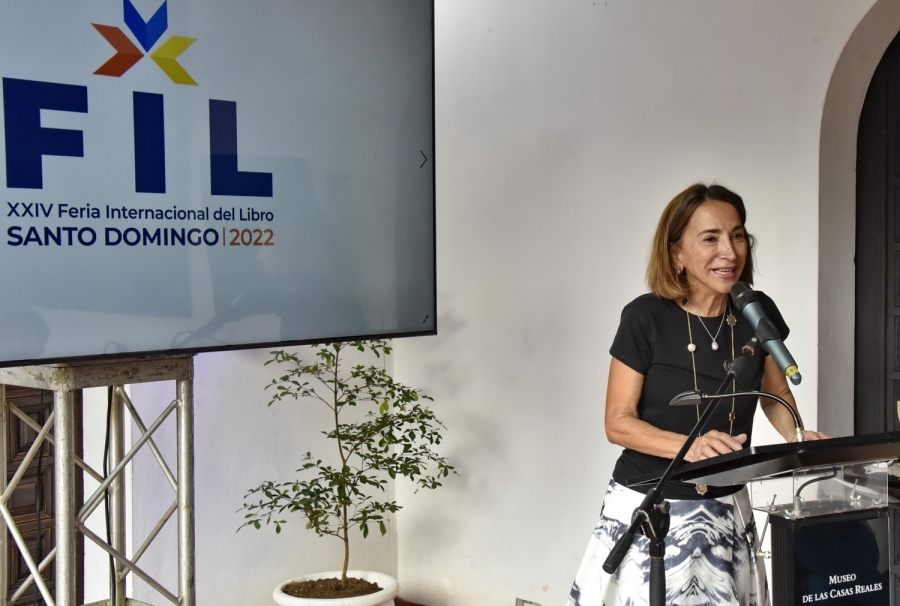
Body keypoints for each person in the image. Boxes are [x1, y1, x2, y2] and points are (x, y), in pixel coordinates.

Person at [566, 183, 827, 606]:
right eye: (710, 238)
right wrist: (691, 447)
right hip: (654, 509)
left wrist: (798, 436)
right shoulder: (645, 317)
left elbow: (774, 393)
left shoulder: (756, 312)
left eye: (737, 235)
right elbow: (618, 422)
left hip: (727, 505)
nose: (729, 251)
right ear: (677, 254)